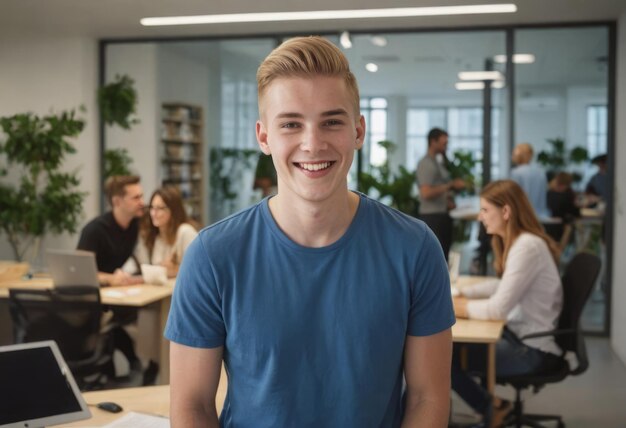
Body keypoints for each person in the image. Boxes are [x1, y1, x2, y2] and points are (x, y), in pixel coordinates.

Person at [165, 36, 455, 427]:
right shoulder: (213, 256)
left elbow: (427, 399)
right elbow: (192, 407)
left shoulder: (415, 248)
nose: (312, 144)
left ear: (358, 130)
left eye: (332, 122)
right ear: (264, 137)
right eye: (291, 124)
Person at [452, 180, 563, 427]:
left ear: (505, 211)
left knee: (441, 359)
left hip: (531, 351)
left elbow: (497, 309)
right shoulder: (522, 243)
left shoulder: (527, 247)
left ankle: (491, 407)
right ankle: (493, 406)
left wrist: (454, 308)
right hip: (519, 338)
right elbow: (501, 287)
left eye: (485, 210)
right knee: (447, 354)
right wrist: (460, 292)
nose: (480, 217)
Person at [77, 175, 145, 287]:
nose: (142, 202)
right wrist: (110, 278)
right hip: (95, 294)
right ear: (117, 201)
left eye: (141, 196)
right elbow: (80, 273)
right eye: (136, 198)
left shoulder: (136, 223)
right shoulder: (94, 230)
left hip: (118, 291)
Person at [416, 127, 466, 261]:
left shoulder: (438, 163)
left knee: (444, 256)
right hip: (432, 218)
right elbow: (425, 193)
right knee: (436, 259)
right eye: (444, 143)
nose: (446, 146)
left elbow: (438, 189)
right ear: (433, 142)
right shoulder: (426, 164)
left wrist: (448, 200)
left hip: (442, 215)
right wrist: (450, 185)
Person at [135, 186, 198, 278]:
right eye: (152, 207)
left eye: (160, 208)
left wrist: (176, 270)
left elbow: (198, 269)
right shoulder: (158, 238)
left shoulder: (185, 231)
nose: (153, 213)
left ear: (173, 211)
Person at [510, 142, 549, 218]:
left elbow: (513, 196)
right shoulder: (540, 172)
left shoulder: (516, 173)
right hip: (541, 215)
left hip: (522, 216)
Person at [546, 172, 580, 243]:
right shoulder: (566, 196)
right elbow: (576, 213)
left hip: (547, 228)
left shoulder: (548, 193)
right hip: (560, 231)